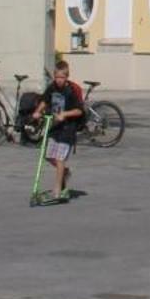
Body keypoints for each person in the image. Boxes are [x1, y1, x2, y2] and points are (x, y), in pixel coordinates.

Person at [32, 60, 86, 203]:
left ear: (67, 77)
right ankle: (65, 172)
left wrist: (65, 114)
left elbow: (79, 110)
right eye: (57, 77)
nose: (59, 80)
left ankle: (58, 190)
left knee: (60, 158)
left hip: (68, 128)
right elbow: (45, 100)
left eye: (62, 77)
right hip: (55, 126)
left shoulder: (71, 91)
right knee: (48, 155)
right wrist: (38, 112)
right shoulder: (52, 87)